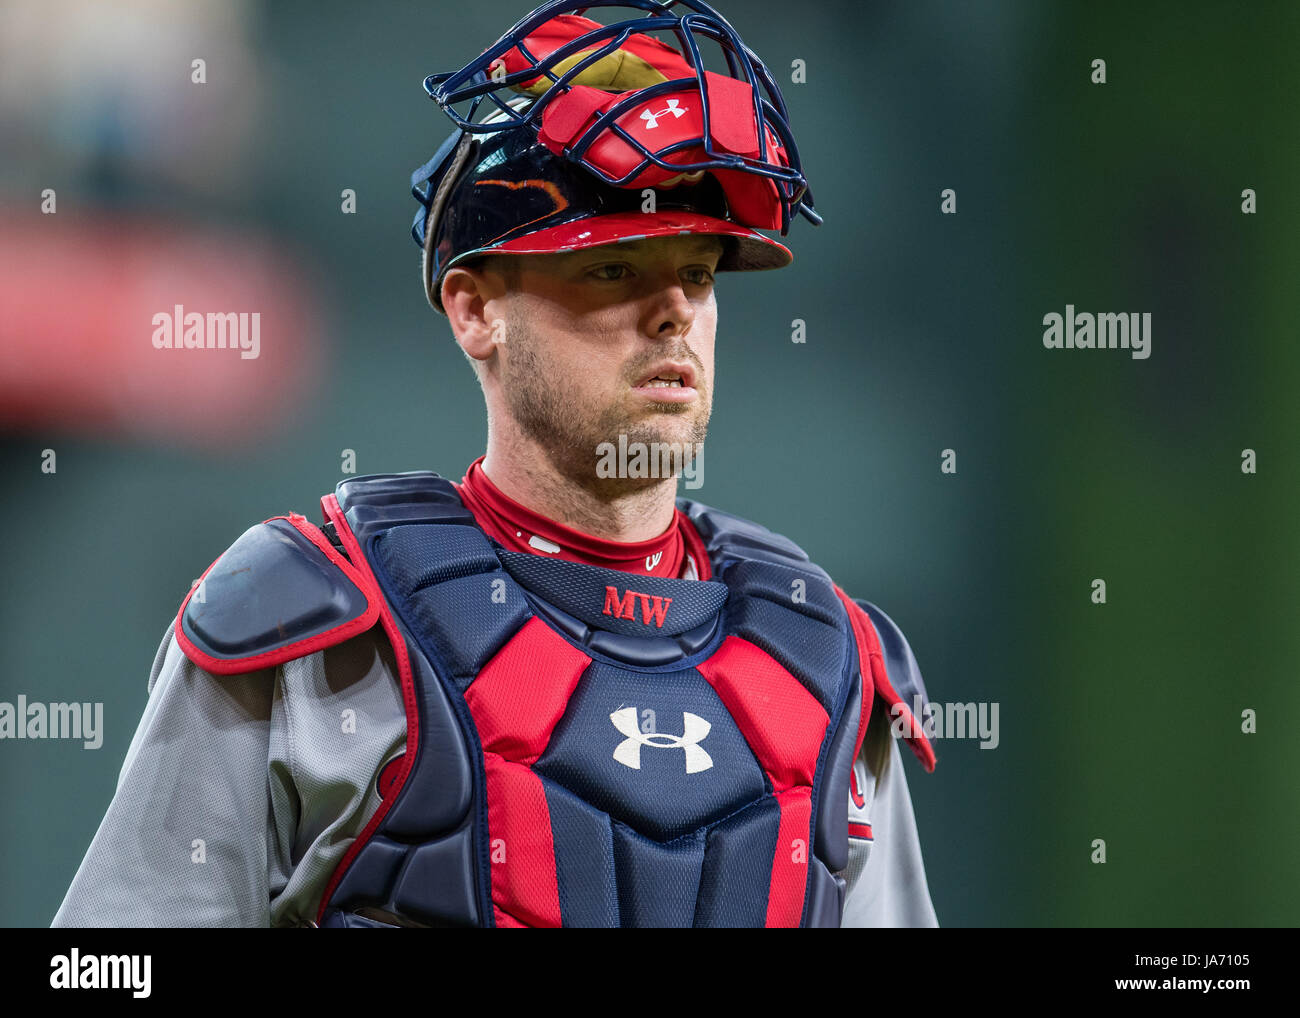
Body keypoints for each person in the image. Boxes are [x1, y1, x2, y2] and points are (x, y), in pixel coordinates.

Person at [52, 0, 939, 928]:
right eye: (613, 269)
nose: (675, 310)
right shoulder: (318, 625)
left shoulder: (825, 661)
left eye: (699, 272)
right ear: (476, 312)